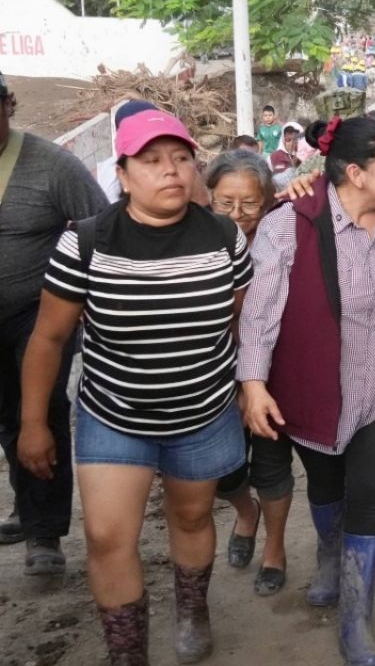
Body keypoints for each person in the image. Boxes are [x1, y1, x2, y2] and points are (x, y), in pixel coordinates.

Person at [19, 109, 251, 663]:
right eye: (151, 161)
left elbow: (239, 322)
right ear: (122, 174)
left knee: (193, 517)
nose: (170, 171)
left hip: (203, 412)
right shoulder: (87, 243)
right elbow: (49, 339)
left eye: (180, 159)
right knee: (105, 537)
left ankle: (192, 607)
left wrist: (247, 387)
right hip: (113, 414)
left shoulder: (224, 238)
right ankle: (129, 653)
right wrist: (32, 423)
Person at [238, 116, 375, 665]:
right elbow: (259, 314)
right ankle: (328, 554)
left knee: (369, 497)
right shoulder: (290, 225)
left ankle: (355, 618)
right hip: (318, 387)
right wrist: (252, 384)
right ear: (355, 172)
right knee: (325, 488)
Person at [0, 70, 108, 566]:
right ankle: (30, 507)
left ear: (9, 106)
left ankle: (45, 534)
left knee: (38, 411)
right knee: (9, 418)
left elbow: (104, 227)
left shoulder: (52, 165)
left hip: (39, 315)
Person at [204, 150, 295, 597]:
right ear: (210, 199)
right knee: (222, 470)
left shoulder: (286, 230)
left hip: (274, 372)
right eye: (226, 203)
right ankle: (245, 512)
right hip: (212, 375)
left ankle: (275, 548)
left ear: (268, 200)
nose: (238, 215)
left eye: (250, 204)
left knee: (272, 466)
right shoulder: (196, 236)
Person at [269, 122, 304, 187]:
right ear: (283, 140)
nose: (291, 144)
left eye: (296, 140)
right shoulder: (273, 157)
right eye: (288, 140)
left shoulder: (307, 156)